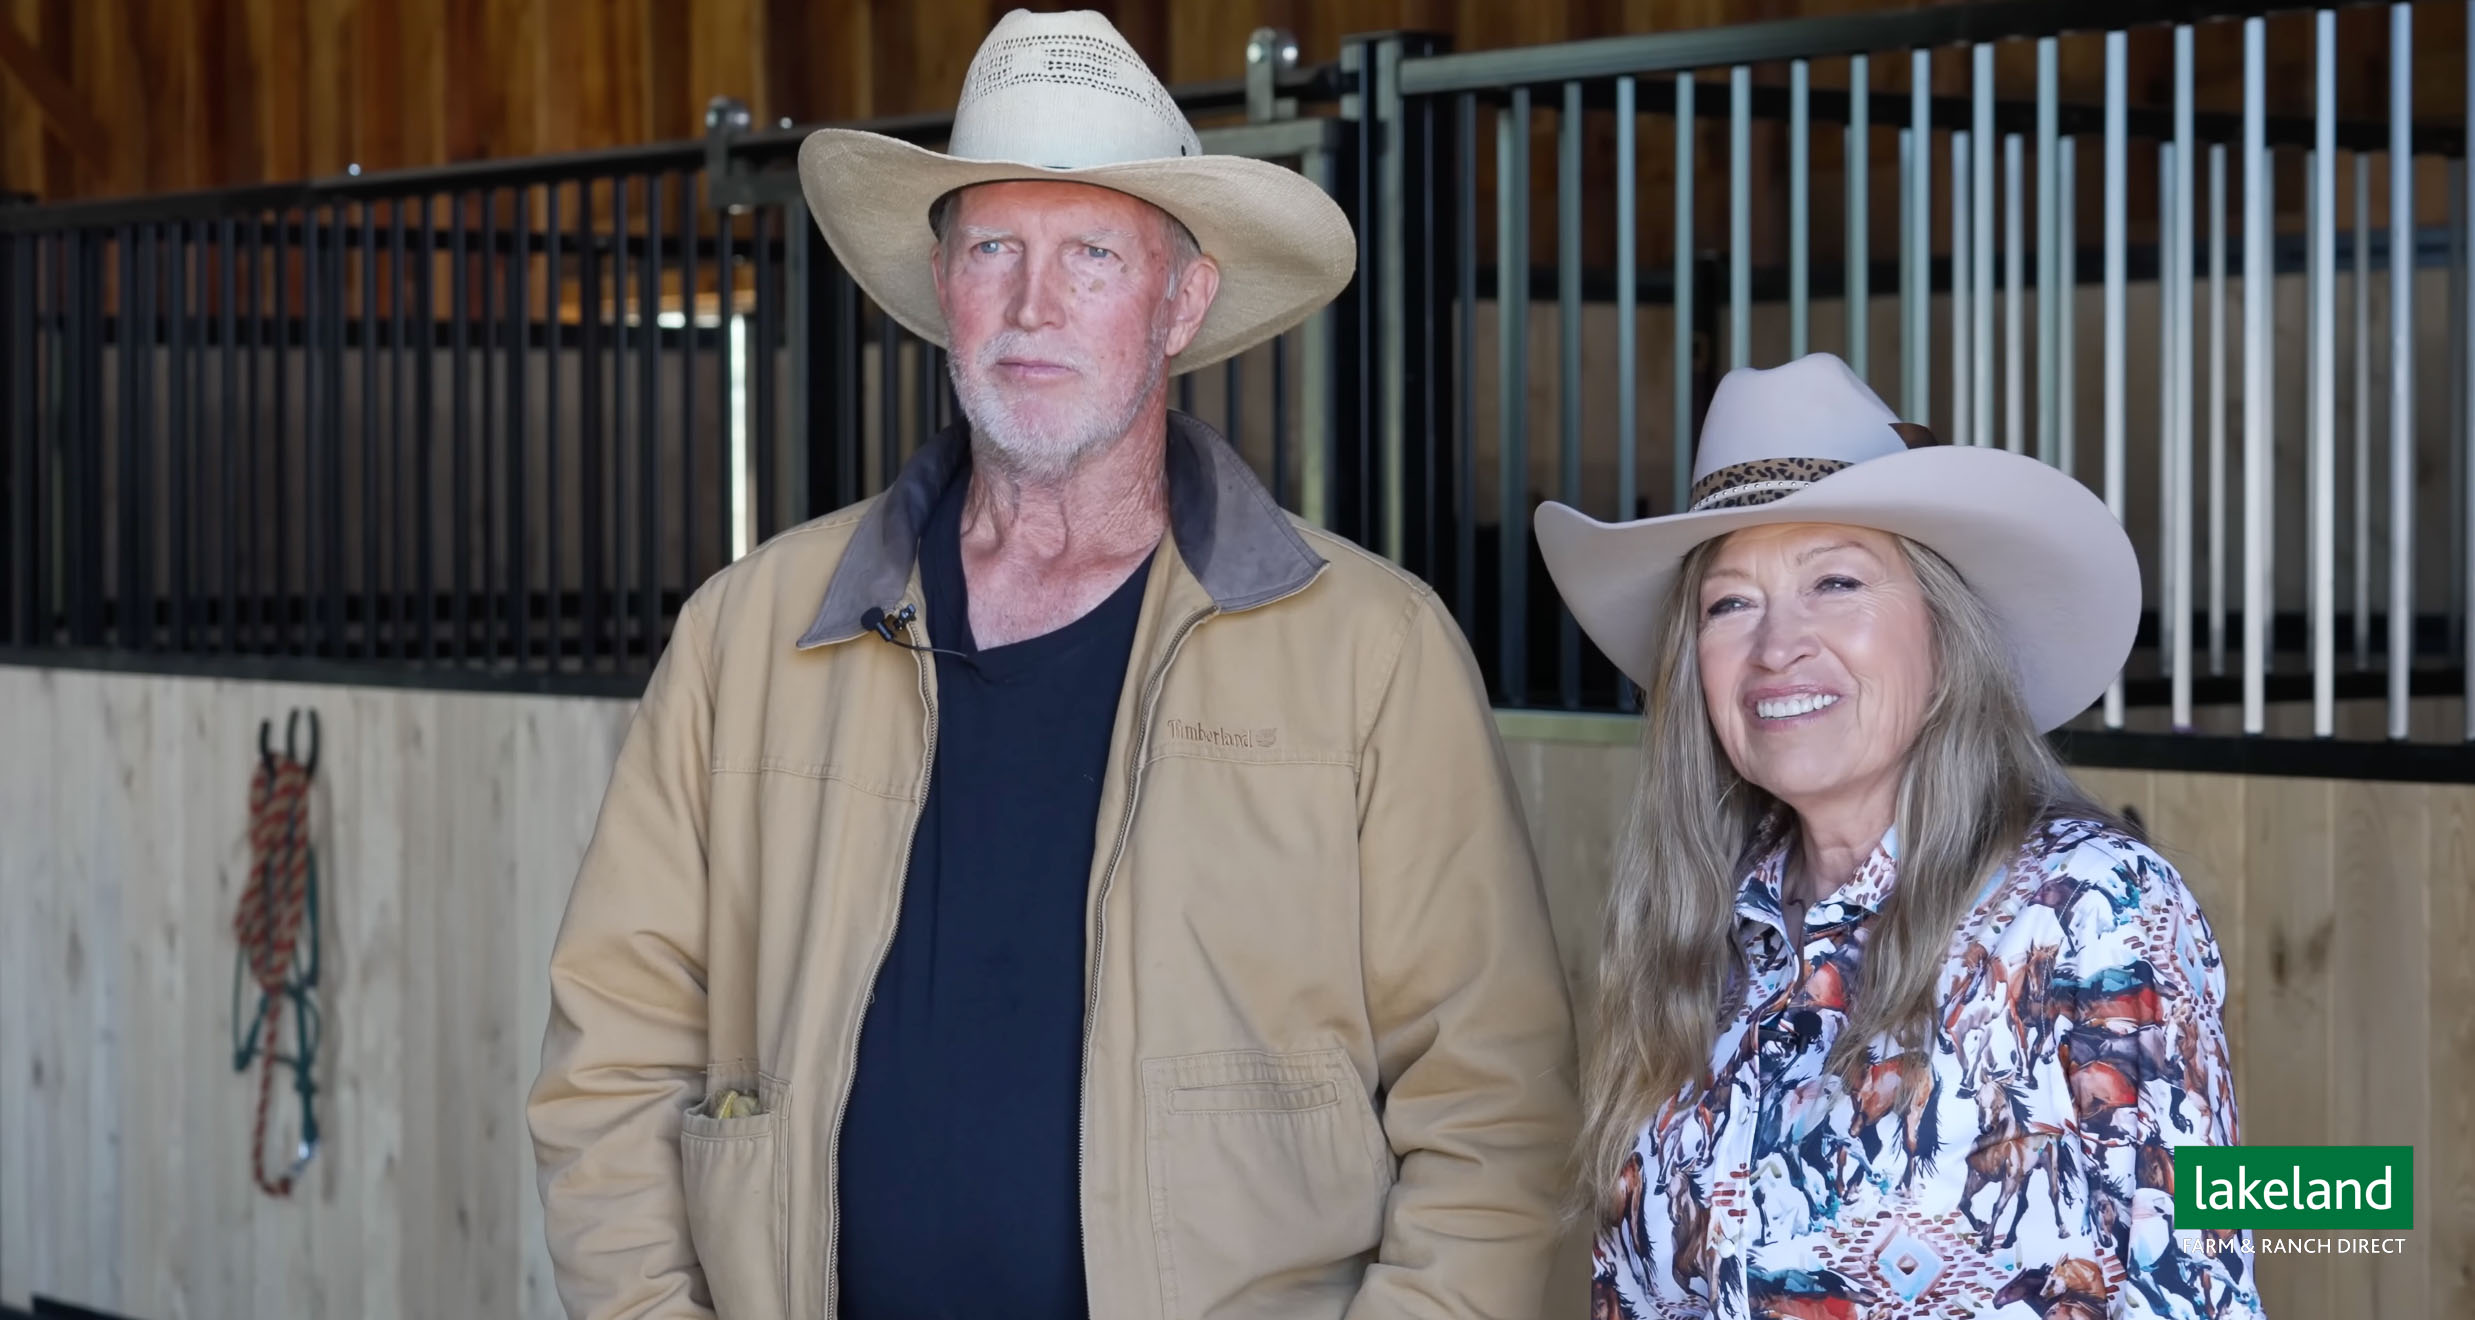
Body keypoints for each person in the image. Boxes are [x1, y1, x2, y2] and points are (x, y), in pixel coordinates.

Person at [526, 10, 1577, 1320]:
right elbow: (609, 1067)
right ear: (940, 285)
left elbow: (1495, 1111)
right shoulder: (747, 637)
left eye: (1090, 253)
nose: (1032, 305)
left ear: (1181, 302)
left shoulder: (1369, 652)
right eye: (993, 251)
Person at [1535, 353, 2263, 1318]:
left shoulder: (2087, 909)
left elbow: (2194, 1290)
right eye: (1729, 603)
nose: (1775, 645)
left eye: (1835, 582)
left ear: (1944, 632)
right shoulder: (1706, 925)